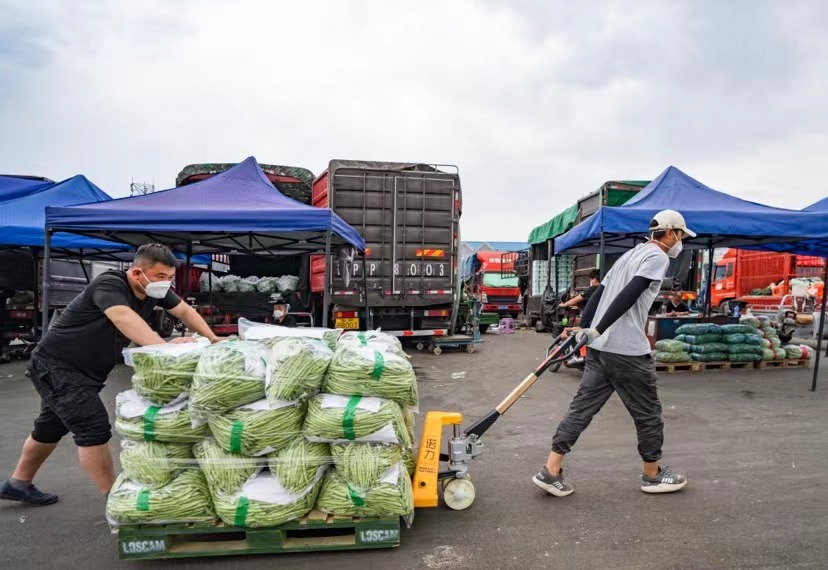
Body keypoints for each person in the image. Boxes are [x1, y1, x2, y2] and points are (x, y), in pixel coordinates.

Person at [0, 243, 220, 506]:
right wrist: (162, 348)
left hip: (84, 372)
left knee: (50, 427)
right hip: (58, 367)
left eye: (170, 278)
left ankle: (17, 484)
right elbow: (122, 317)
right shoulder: (110, 284)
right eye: (161, 277)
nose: (166, 283)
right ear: (137, 273)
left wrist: (214, 339)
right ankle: (116, 500)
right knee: (93, 428)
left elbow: (183, 310)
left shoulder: (153, 290)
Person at [533, 210, 694, 497]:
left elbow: (597, 293)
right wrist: (597, 328)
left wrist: (587, 328)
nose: (681, 241)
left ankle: (551, 469)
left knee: (581, 409)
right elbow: (631, 292)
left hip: (600, 349)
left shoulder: (629, 255)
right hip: (627, 351)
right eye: (681, 234)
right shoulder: (657, 256)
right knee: (648, 414)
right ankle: (652, 476)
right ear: (669, 232)